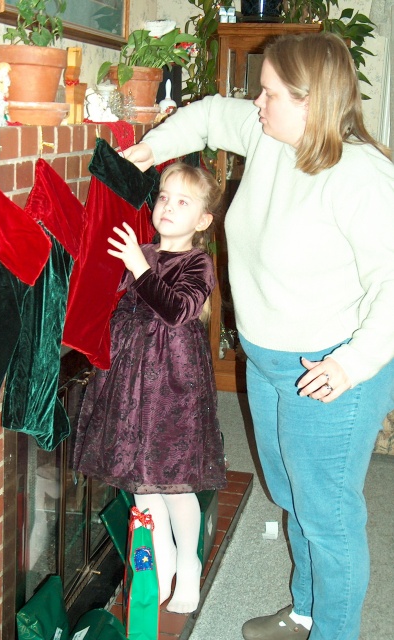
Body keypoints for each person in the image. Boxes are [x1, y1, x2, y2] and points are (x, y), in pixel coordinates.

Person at [123, 32, 394, 640]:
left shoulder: (362, 176)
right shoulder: (269, 136)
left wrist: (354, 363)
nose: (257, 102)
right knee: (293, 496)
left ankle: (334, 632)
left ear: (309, 100)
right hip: (269, 362)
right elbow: (212, 114)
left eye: (269, 92)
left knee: (328, 514)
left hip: (331, 371)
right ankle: (305, 611)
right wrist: (151, 148)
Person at [73, 162, 227, 614]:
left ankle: (189, 565)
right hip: (131, 389)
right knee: (143, 487)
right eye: (163, 197)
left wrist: (139, 268)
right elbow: (110, 300)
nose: (167, 207)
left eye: (183, 202)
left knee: (176, 485)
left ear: (202, 221)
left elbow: (177, 312)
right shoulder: (138, 250)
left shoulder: (198, 263)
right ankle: (155, 573)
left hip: (174, 395)